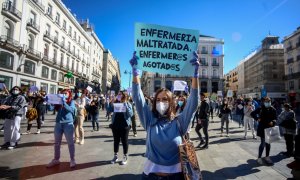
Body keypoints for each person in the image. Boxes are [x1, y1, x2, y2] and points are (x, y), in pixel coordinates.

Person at [131, 51, 199, 179]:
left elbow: (194, 102)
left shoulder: (180, 121)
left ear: (171, 102)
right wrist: (135, 74)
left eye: (165, 99)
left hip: (177, 176)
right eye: (158, 99)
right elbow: (138, 99)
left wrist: (195, 75)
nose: (161, 102)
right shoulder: (149, 120)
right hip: (151, 175)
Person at [47, 89, 76, 168]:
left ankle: (72, 159)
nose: (63, 94)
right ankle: (56, 159)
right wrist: (49, 102)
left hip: (68, 123)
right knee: (56, 143)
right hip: (58, 124)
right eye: (62, 93)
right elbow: (50, 109)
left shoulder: (71, 102)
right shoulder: (58, 102)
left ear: (69, 94)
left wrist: (64, 103)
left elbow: (71, 110)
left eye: (65, 93)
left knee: (70, 143)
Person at [110, 91, 133, 165]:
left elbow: (130, 114)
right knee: (116, 141)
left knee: (124, 141)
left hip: (125, 125)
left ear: (123, 96)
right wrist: (109, 102)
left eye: (120, 94)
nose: (118, 95)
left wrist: (125, 104)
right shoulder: (116, 103)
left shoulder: (128, 103)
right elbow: (109, 110)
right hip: (115, 125)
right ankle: (115, 156)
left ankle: (125, 156)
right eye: (118, 94)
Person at [252, 97, 277, 165]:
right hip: (262, 128)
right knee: (263, 143)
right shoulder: (261, 108)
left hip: (269, 128)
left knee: (268, 143)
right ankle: (259, 158)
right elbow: (252, 113)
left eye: (269, 101)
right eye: (266, 101)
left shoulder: (273, 109)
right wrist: (257, 118)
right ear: (263, 102)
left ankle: (267, 157)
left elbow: (275, 118)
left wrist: (273, 122)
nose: (268, 102)